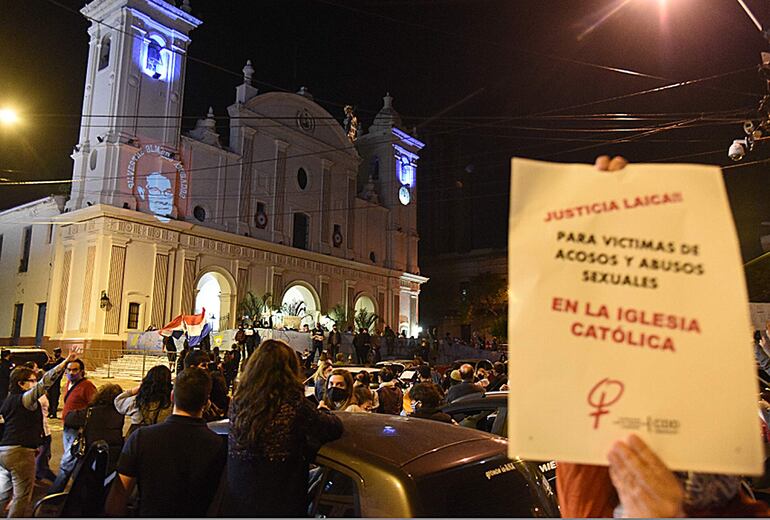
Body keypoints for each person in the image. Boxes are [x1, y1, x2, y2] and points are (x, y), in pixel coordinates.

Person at [222, 339, 343, 517]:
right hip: (279, 498)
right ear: (290, 370)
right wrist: (326, 411)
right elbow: (333, 428)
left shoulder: (239, 404)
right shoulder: (292, 403)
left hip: (240, 497)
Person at [105, 368, 227, 517]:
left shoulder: (141, 438)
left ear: (172, 397)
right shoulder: (220, 445)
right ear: (206, 402)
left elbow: (117, 498)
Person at [0, 348, 75, 516]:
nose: (34, 383)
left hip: (4, 451)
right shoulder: (24, 399)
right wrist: (65, 363)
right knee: (21, 496)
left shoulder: (8, 400)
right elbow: (45, 382)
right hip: (20, 452)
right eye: (31, 380)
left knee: (4, 492)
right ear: (21, 383)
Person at [50, 357, 97, 493]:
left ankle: (54, 493)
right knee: (76, 461)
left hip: (76, 430)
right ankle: (80, 490)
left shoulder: (87, 386)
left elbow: (94, 406)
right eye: (69, 370)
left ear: (82, 371)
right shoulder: (68, 384)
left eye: (75, 370)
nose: (71, 372)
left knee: (67, 462)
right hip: (67, 427)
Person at [64, 384, 124, 473]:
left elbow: (69, 419)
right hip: (113, 452)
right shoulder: (119, 413)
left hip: (92, 451)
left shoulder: (92, 412)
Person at [114, 365, 173, 436]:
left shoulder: (137, 401)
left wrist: (133, 390)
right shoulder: (171, 405)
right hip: (160, 440)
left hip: (137, 440)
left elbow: (118, 401)